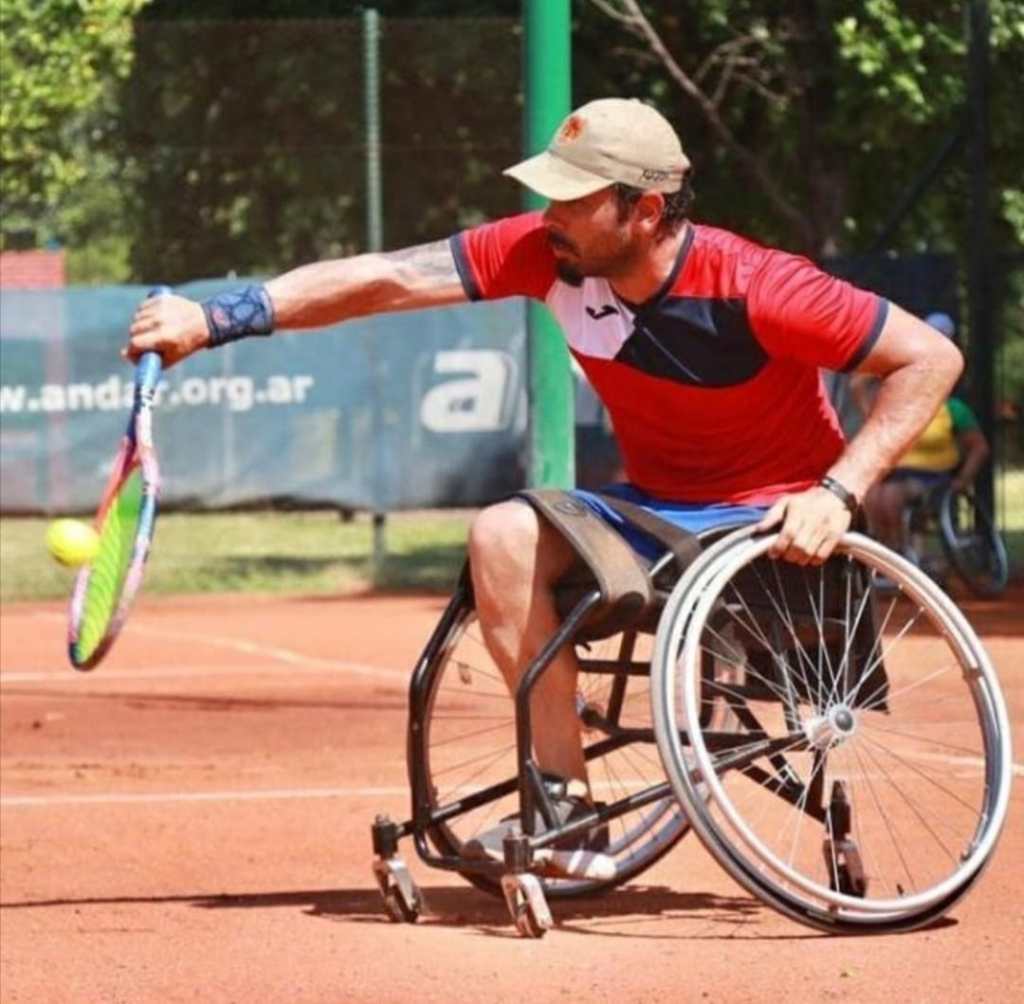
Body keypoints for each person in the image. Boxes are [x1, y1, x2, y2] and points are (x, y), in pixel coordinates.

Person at [125, 98, 962, 855]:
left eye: (573, 199)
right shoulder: (546, 257)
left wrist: (836, 493)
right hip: (658, 513)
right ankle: (564, 800)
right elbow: (388, 276)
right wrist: (216, 318)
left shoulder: (760, 286)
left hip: (767, 522)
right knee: (501, 532)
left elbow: (930, 358)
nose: (550, 216)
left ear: (644, 210)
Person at [859, 312, 990, 558]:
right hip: (895, 473)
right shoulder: (900, 406)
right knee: (872, 496)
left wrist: (963, 480)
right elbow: (859, 387)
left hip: (934, 478)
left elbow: (979, 448)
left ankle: (898, 555)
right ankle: (890, 553)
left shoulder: (954, 408)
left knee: (891, 496)